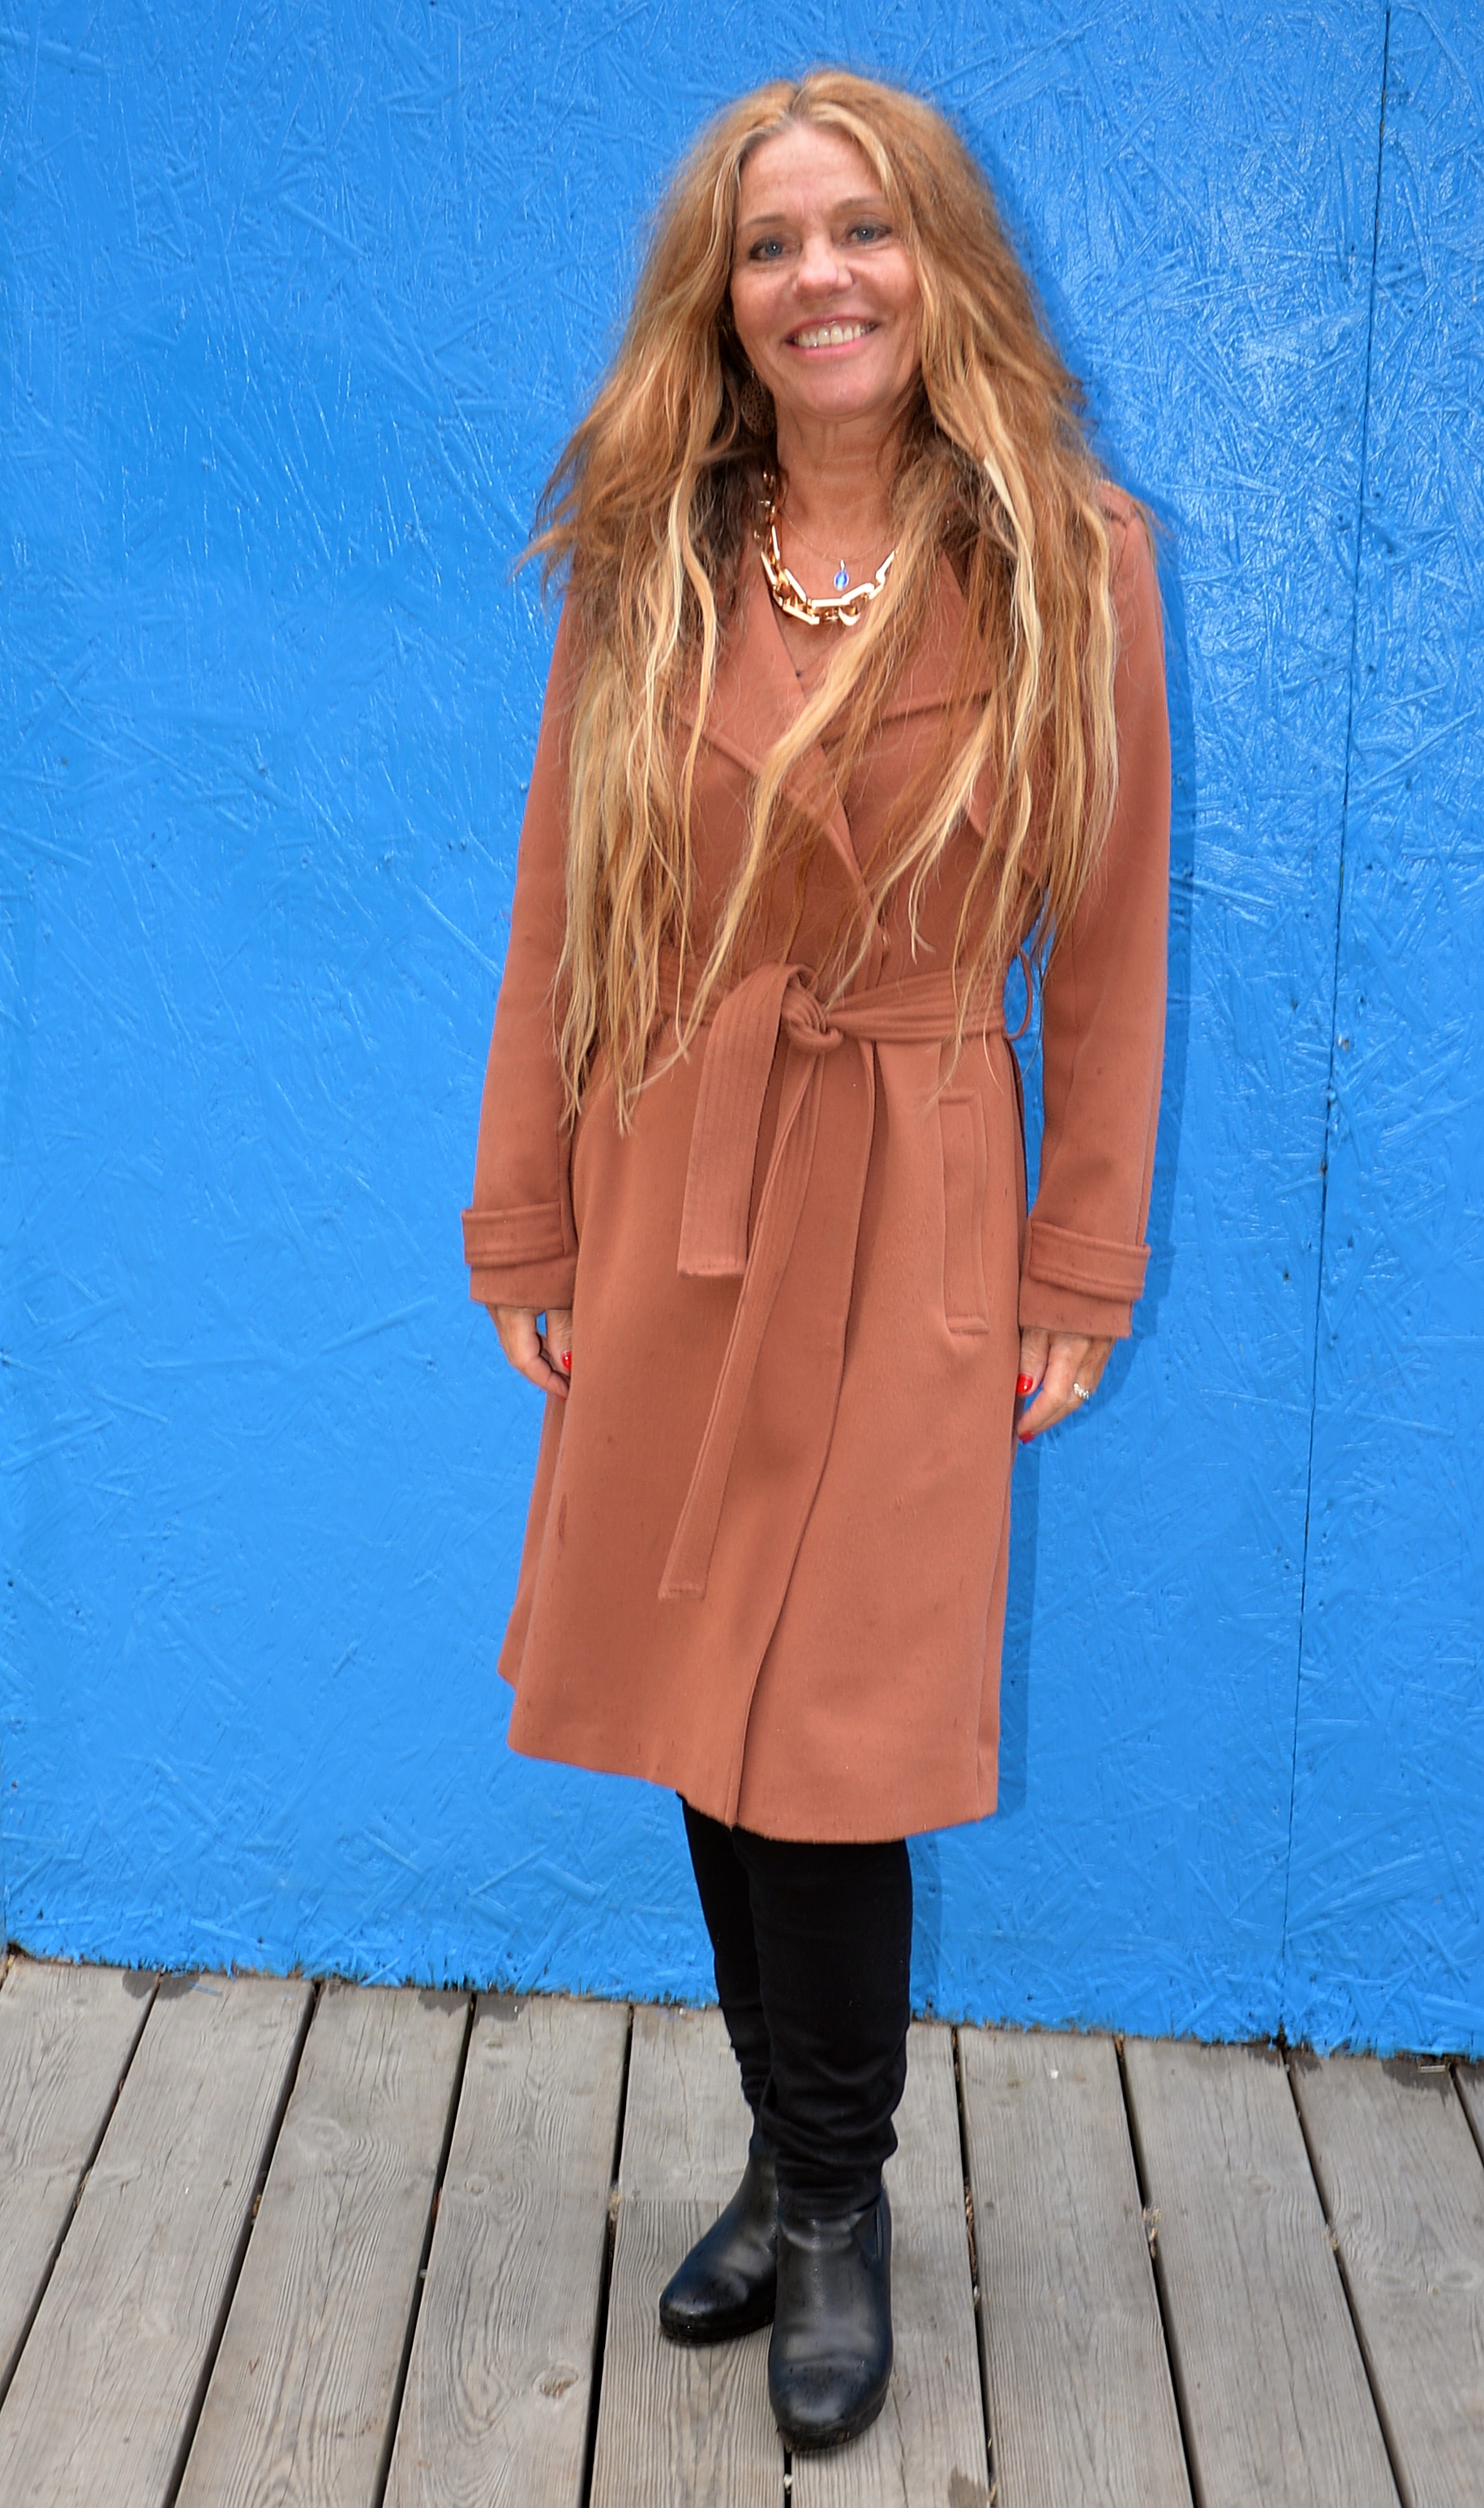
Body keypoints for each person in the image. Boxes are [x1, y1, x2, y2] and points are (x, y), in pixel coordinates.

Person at [463, 69, 1169, 2453]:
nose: (820, 277)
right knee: (705, 1690)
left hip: (917, 1180)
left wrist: (1079, 1261)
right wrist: (530, 1209)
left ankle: (838, 2205)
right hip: (674, 1167)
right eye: (771, 243)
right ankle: (783, 2152)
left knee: (833, 1732)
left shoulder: (1074, 558)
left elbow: (1114, 945)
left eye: (862, 229)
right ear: (723, 295)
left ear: (937, 261)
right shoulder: (650, 555)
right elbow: (561, 909)